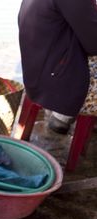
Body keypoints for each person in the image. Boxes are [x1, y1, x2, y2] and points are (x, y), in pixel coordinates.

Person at [18, 0, 97, 134]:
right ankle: (63, 114)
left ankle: (62, 117)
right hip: (57, 88)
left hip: (37, 76)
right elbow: (94, 44)